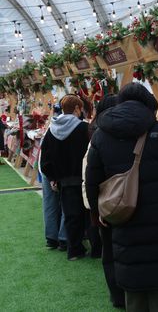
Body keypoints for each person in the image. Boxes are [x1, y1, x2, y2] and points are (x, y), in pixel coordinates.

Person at [86, 83, 158, 312]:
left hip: (122, 216)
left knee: (133, 285)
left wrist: (96, 210)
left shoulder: (102, 134)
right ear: (147, 104)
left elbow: (92, 178)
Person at [83, 94, 124, 308]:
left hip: (105, 204)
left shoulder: (96, 134)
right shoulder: (119, 133)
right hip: (124, 202)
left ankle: (117, 295)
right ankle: (126, 295)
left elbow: (90, 177)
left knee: (110, 252)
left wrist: (93, 208)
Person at [40, 95, 89, 260]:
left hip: (63, 179)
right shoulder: (84, 129)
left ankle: (73, 248)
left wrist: (53, 177)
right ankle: (77, 248)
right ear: (76, 108)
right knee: (83, 214)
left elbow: (45, 157)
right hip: (81, 177)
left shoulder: (52, 129)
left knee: (69, 214)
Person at [39, 103, 67, 251]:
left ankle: (51, 238)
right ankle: (63, 239)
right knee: (65, 203)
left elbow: (45, 156)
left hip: (46, 168)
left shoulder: (52, 126)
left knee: (50, 204)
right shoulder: (75, 126)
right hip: (58, 170)